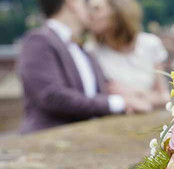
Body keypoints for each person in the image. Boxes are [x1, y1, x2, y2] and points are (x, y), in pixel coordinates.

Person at [17, 0, 150, 134]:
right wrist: (119, 103)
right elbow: (52, 96)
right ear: (73, 3)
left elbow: (99, 91)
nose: (92, 11)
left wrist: (127, 94)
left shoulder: (82, 48)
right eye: (87, 4)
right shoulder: (38, 40)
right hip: (47, 141)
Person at [86, 0, 170, 108]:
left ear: (117, 10)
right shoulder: (91, 50)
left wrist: (132, 93)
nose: (89, 14)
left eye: (97, 9)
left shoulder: (150, 44)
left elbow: (164, 97)